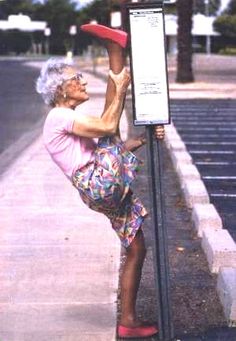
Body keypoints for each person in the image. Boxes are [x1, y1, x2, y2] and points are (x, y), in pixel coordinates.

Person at [36, 24, 165, 339]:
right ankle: (114, 50)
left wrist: (144, 138)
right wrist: (120, 84)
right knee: (111, 126)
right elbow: (108, 124)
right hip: (98, 183)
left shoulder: (67, 119)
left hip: (100, 183)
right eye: (75, 78)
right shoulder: (58, 116)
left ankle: (128, 322)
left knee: (137, 248)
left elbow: (112, 146)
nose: (81, 82)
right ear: (60, 90)